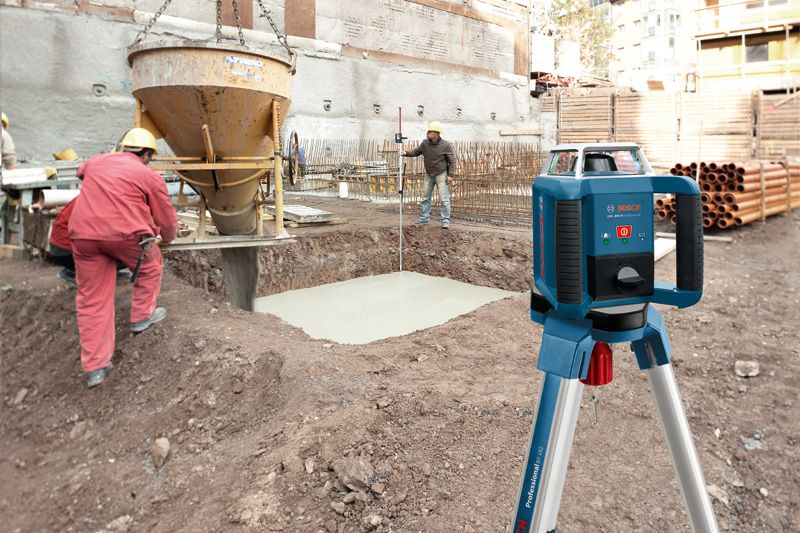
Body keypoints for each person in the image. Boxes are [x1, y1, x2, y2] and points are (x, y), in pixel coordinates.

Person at [68, 128, 178, 388]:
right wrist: (169, 237)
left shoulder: (98, 161)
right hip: (125, 235)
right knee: (150, 266)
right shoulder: (148, 176)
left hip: (84, 236)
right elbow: (165, 218)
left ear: (123, 147)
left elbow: (81, 170)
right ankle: (142, 316)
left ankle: (95, 368)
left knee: (92, 300)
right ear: (147, 154)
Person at [47, 198, 130, 289]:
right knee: (130, 250)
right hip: (67, 250)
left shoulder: (91, 195)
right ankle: (74, 274)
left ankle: (106, 273)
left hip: (59, 247)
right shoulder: (99, 200)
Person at [401, 121, 456, 229]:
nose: (428, 132)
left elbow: (452, 161)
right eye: (428, 131)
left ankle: (445, 220)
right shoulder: (425, 143)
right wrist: (406, 153)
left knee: (444, 198)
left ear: (436, 133)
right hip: (429, 174)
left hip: (441, 174)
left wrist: (450, 175)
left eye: (430, 131)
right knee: (425, 196)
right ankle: (424, 218)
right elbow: (416, 152)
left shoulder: (445, 145)